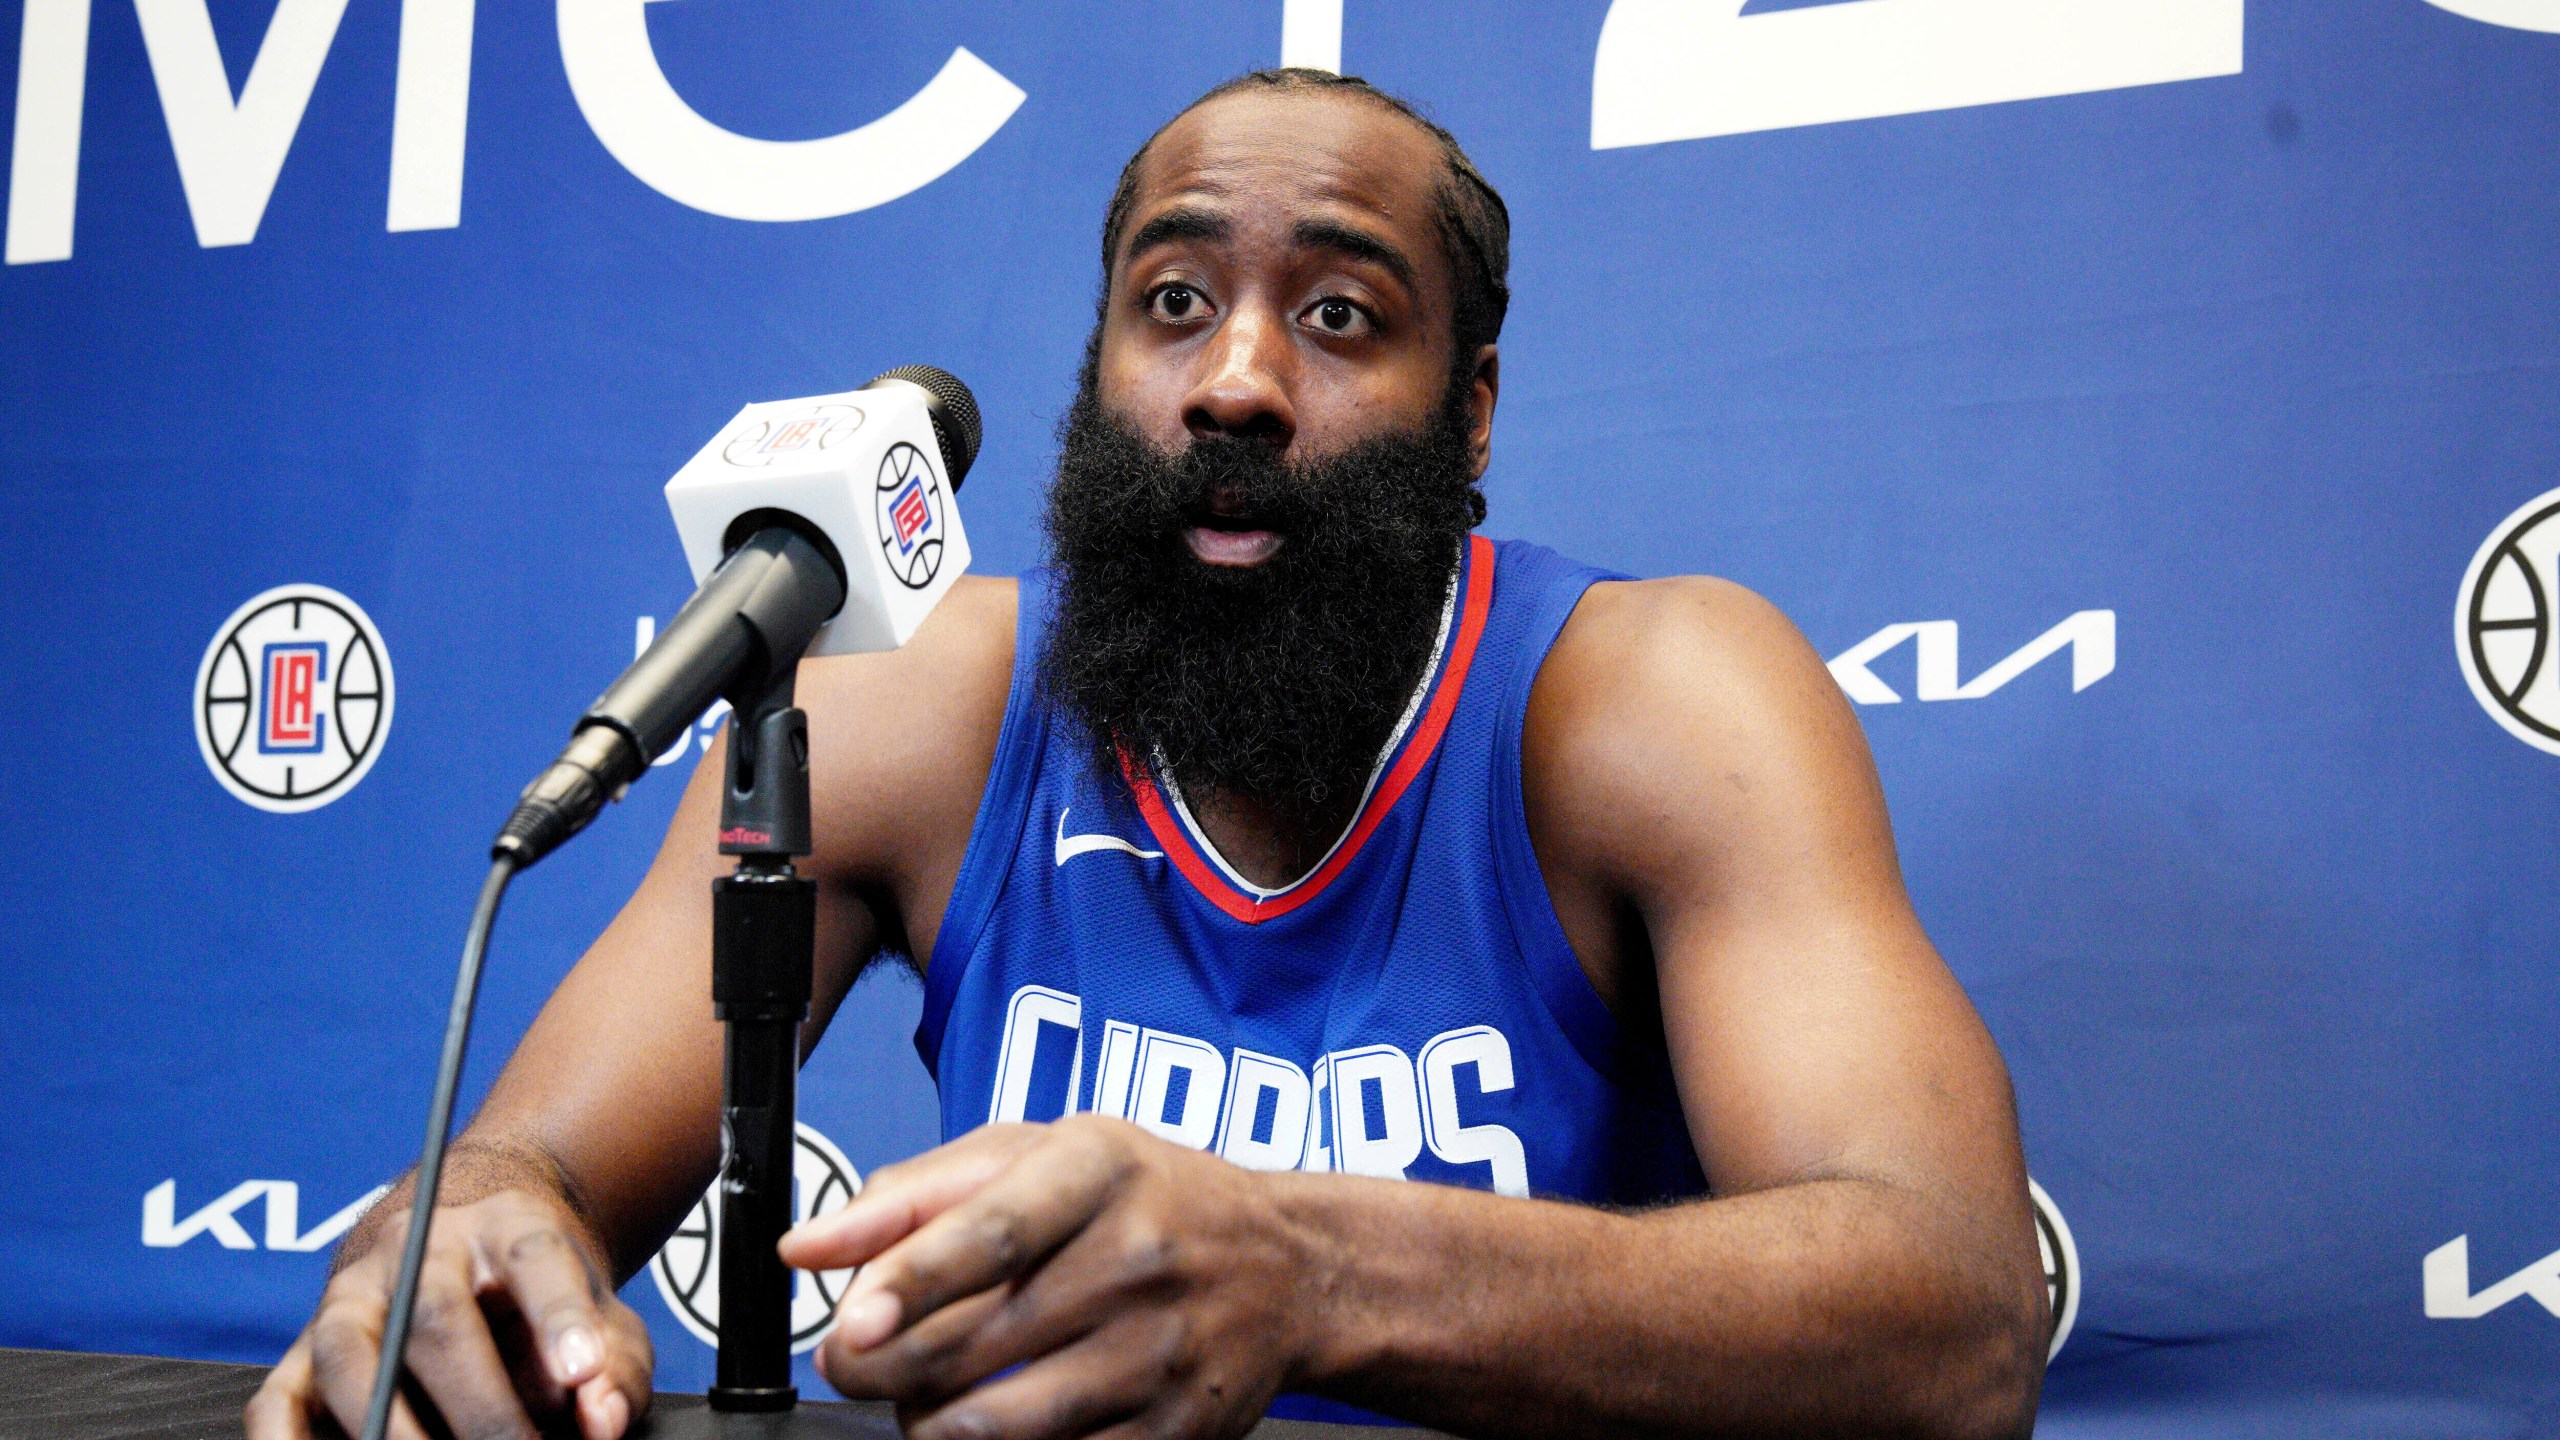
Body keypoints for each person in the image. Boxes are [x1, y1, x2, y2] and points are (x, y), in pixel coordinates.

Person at [248, 69, 2047, 1440]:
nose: (1237, 383)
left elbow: (1950, 1317)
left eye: (1341, 316)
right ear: (1103, 359)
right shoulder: (919, 703)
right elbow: (531, 1171)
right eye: (1173, 302)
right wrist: (463, 1245)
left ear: (1473, 407)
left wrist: (1305, 1266)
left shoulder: (1652, 699)